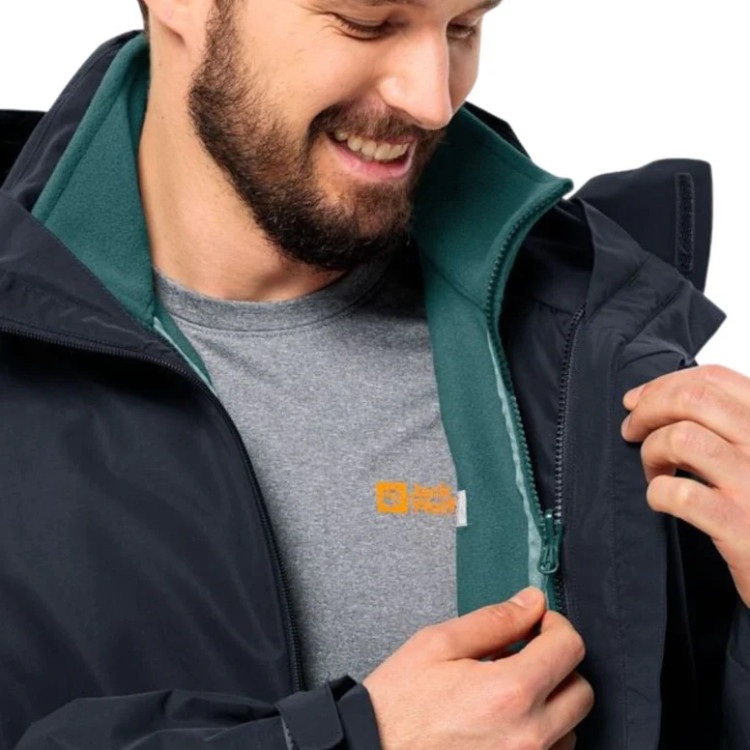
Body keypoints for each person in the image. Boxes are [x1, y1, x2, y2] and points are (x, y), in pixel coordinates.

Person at [0, 1, 747, 748]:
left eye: (463, 27)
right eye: (367, 23)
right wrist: (353, 738)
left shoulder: (591, 330)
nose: (432, 100)